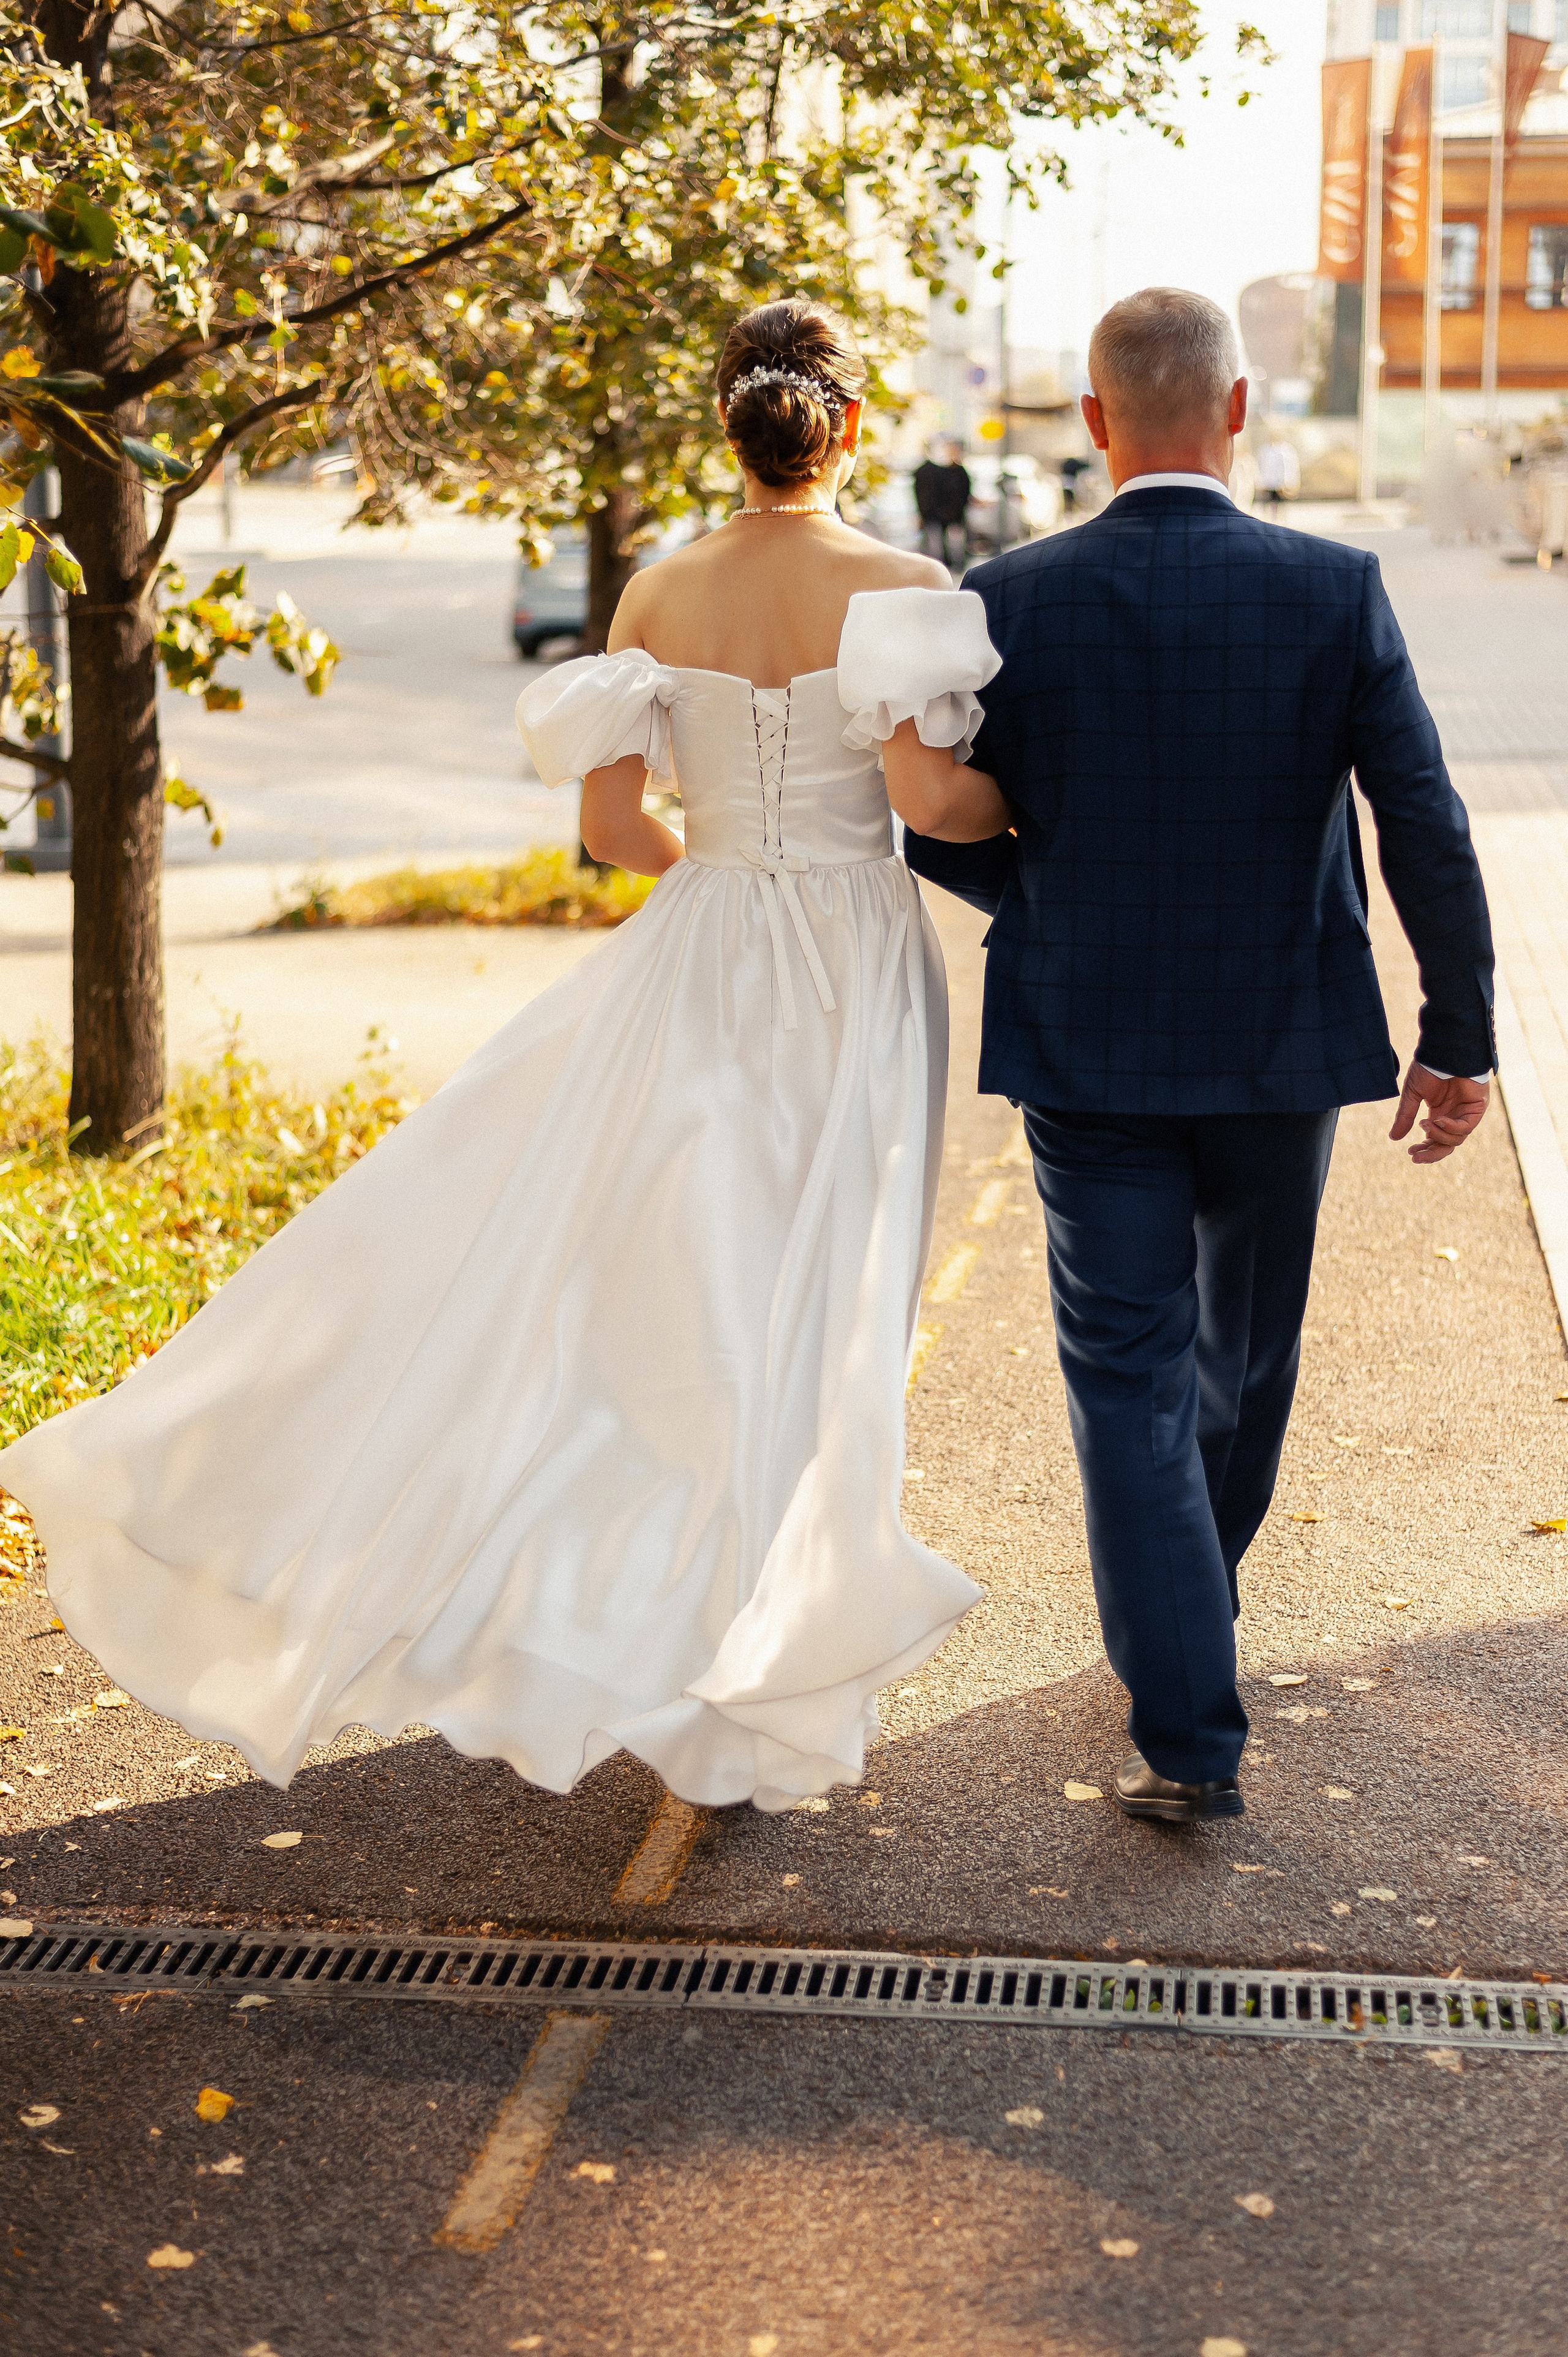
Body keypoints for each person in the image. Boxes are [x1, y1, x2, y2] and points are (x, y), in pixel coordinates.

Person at [0, 298, 1008, 1814]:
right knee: (830, 1294)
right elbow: (936, 808)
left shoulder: (657, 591)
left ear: (725, 422)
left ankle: (658, 1622)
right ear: (847, 425)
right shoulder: (906, 585)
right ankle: (762, 1648)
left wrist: (726, 871)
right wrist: (1021, 814)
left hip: (705, 944)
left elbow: (612, 833)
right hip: (859, 962)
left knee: (686, 1291)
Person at [905, 286, 1495, 1827]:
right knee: (1240, 1359)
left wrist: (1037, 894)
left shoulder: (1007, 596)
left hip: (1086, 1044)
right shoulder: (1331, 586)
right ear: (1235, 412)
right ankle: (1188, 1679)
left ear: (1093, 422)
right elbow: (1418, 816)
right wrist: (1457, 1033)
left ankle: (1181, 1681)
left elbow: (937, 813)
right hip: (1278, 1042)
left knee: (1127, 1378)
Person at [913, 438, 972, 567]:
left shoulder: (959, 473)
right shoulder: (930, 472)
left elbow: (964, 495)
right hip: (937, 516)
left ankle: (950, 564)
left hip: (950, 517)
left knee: (948, 546)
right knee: (937, 546)